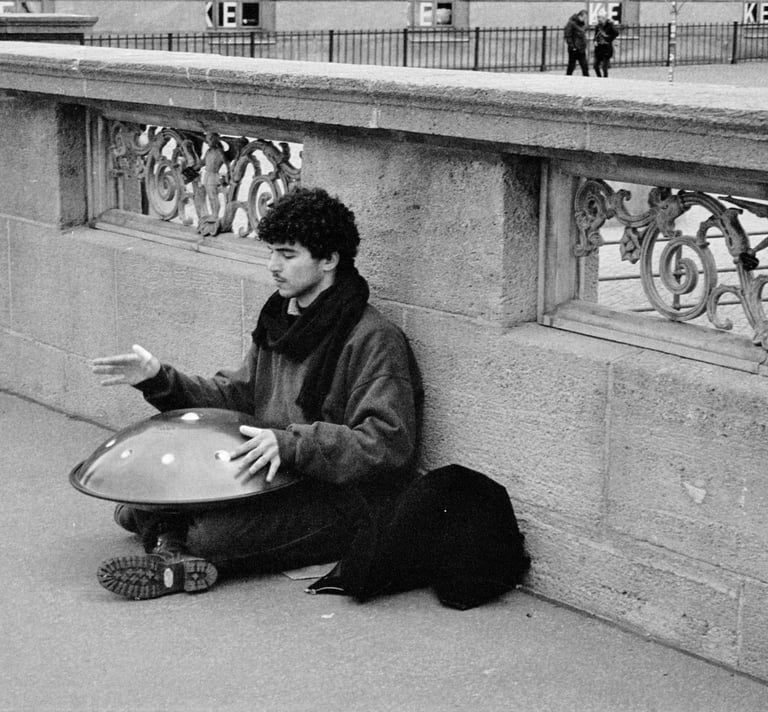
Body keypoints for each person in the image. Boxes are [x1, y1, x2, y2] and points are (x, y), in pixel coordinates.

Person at [90, 187, 421, 600]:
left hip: (338, 497)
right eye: (271, 253)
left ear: (329, 260)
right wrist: (159, 379)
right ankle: (171, 548)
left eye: (287, 254)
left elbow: (388, 444)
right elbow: (235, 398)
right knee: (135, 505)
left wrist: (291, 444)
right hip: (276, 475)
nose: (273, 266)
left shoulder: (374, 338)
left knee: (210, 537)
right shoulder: (281, 320)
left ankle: (172, 546)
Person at [593, 10, 619, 77]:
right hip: (598, 49)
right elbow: (595, 36)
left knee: (604, 68)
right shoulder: (598, 26)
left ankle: (605, 79)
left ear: (604, 18)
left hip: (606, 49)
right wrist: (595, 41)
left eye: (600, 17)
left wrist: (609, 38)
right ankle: (599, 78)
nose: (599, 19)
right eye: (598, 17)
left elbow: (616, 33)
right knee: (595, 66)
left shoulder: (610, 26)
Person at [564, 9, 589, 76]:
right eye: (584, 18)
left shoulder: (582, 24)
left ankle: (588, 80)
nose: (585, 19)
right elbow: (568, 35)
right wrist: (572, 46)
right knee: (571, 66)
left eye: (585, 18)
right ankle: (567, 79)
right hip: (574, 48)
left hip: (581, 48)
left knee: (584, 66)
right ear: (579, 16)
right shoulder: (571, 23)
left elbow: (582, 34)